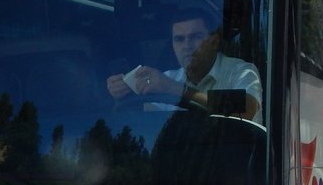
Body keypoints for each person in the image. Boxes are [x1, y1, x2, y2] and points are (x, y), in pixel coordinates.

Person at [105, 8, 262, 121]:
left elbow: (247, 109)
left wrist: (175, 89)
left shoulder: (242, 72)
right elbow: (141, 125)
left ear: (214, 42)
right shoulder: (168, 78)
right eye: (179, 39)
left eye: (196, 36)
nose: (187, 45)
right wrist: (122, 94)